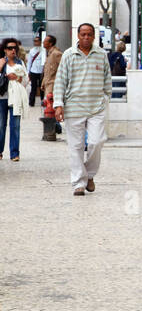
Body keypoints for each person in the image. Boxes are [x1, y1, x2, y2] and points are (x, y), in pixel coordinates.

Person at [53, 23, 112, 196]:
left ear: (94, 36)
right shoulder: (68, 55)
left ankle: (89, 175)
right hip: (73, 107)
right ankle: (78, 182)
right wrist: (58, 105)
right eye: (83, 34)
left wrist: (106, 98)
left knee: (96, 142)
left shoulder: (101, 55)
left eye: (89, 35)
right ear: (77, 36)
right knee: (76, 146)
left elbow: (107, 79)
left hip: (97, 107)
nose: (86, 37)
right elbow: (60, 81)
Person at [0, 38, 27, 160]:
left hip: (16, 98)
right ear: (5, 50)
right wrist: (4, 72)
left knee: (15, 126)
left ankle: (15, 153)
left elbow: (26, 80)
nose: (13, 50)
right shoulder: (1, 62)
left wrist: (19, 79)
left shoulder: (20, 63)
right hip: (2, 97)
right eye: (10, 48)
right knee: (1, 125)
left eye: (15, 48)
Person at [41, 34, 63, 130]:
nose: (43, 43)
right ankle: (54, 126)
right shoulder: (49, 54)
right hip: (48, 84)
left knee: (51, 107)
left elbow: (63, 68)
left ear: (50, 43)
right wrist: (43, 83)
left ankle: (56, 126)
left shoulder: (56, 54)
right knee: (48, 107)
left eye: (45, 41)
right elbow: (47, 71)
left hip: (54, 85)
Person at [26, 35, 45, 106]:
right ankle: (31, 102)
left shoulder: (43, 50)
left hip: (41, 72)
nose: (35, 42)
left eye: (37, 41)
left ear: (40, 42)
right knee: (33, 87)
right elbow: (29, 62)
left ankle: (43, 101)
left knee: (42, 87)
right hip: (33, 71)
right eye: (34, 41)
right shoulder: (31, 51)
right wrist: (28, 72)